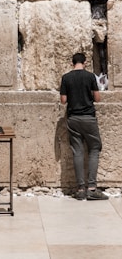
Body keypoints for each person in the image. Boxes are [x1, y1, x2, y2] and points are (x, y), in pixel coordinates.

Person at [60, 52, 108, 200]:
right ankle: (92, 188)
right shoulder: (90, 76)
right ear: (85, 62)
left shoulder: (66, 77)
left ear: (72, 63)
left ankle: (80, 189)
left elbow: (63, 100)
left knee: (77, 151)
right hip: (88, 118)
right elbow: (97, 98)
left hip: (73, 118)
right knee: (94, 148)